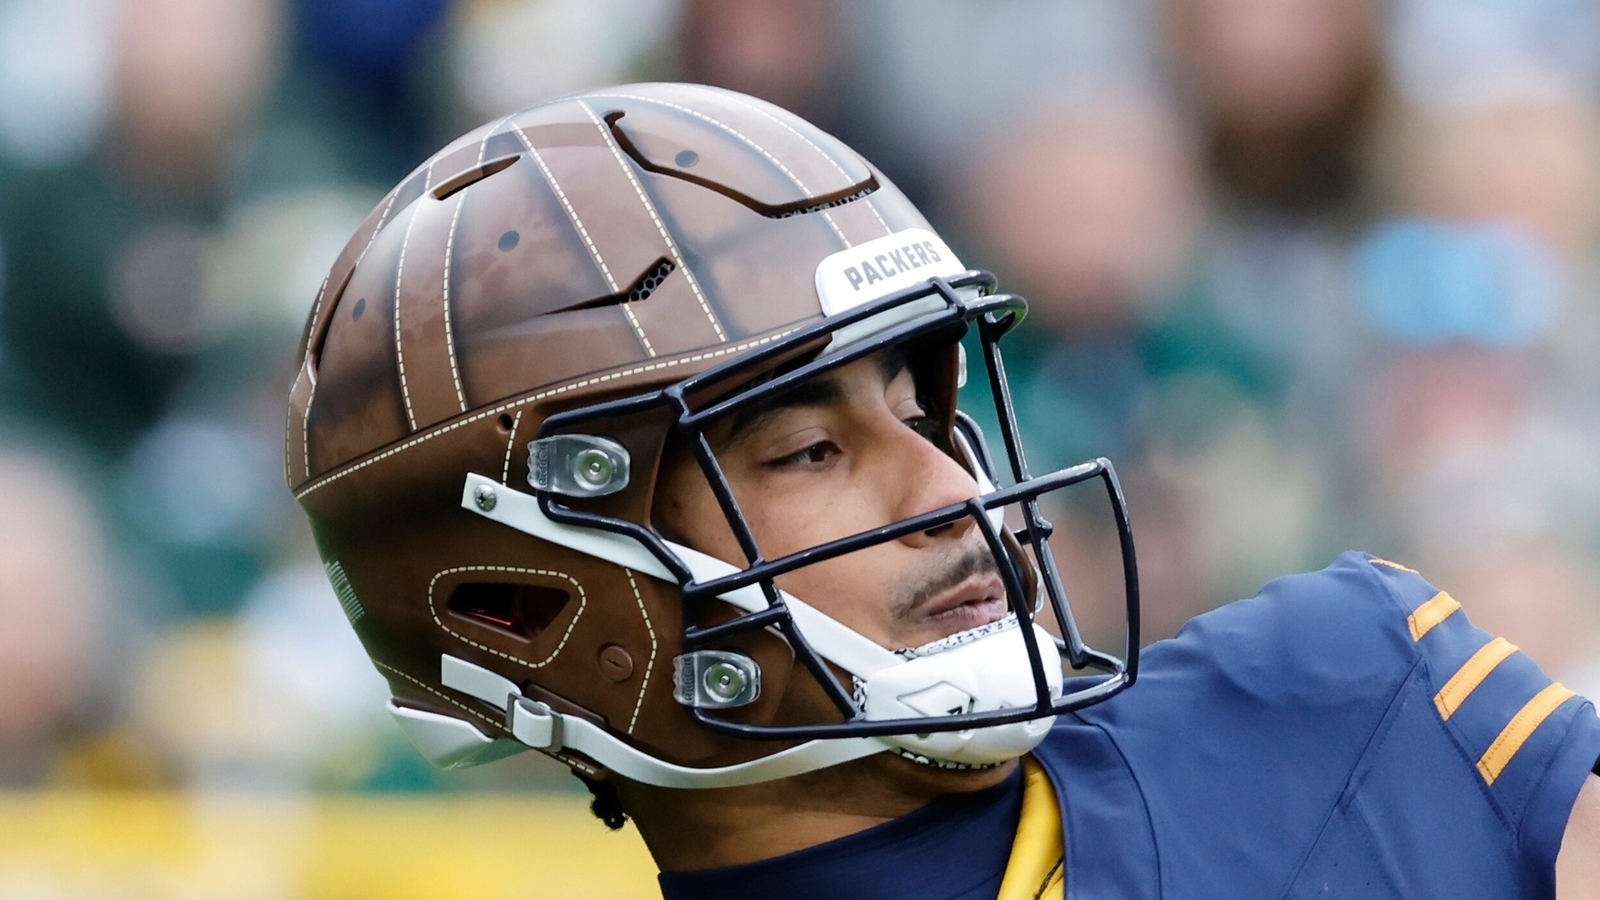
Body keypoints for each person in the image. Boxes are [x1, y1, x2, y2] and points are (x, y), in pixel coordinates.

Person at [285, 84, 1600, 898]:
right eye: (810, 451)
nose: (951, 483)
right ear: (536, 602)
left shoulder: (1343, 693)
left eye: (929, 408)